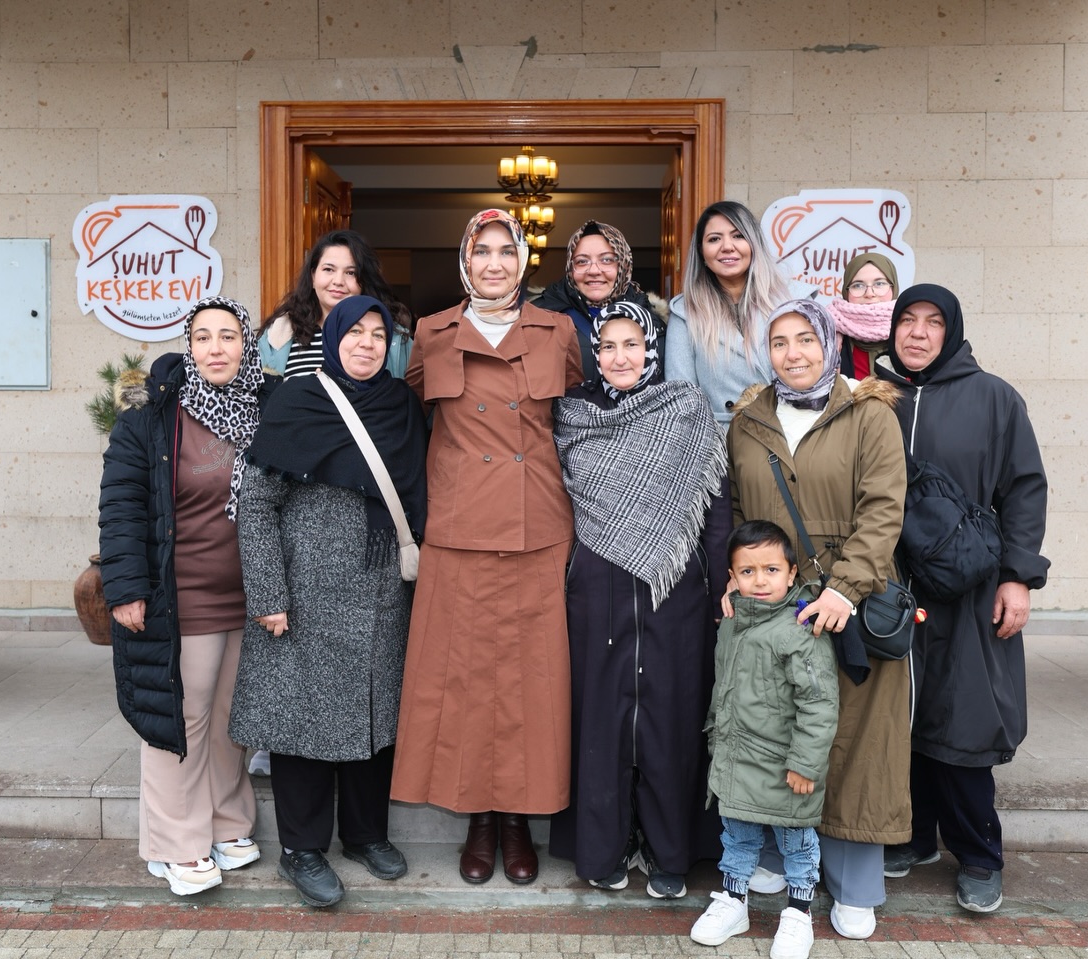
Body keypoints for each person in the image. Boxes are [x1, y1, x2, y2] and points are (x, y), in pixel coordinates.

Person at [390, 208, 583, 885]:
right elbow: (412, 419)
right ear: (464, 262)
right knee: (466, 680)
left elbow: (577, 421)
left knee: (533, 682)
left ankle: (519, 820)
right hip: (460, 529)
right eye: (482, 252)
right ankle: (478, 817)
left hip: (538, 529)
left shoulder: (558, 331)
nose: (494, 263)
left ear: (525, 263)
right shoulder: (431, 332)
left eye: (507, 251)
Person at [229, 295, 428, 908]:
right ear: (334, 337)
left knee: (374, 718)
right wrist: (267, 591)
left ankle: (366, 835)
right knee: (303, 721)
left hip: (381, 589)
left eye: (378, 335)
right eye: (356, 333)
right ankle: (302, 848)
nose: (366, 344)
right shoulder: (297, 401)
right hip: (305, 590)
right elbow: (256, 505)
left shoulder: (401, 406)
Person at [727, 298, 909, 941]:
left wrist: (845, 589)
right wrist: (736, 578)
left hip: (848, 605)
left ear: (829, 343)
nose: (794, 352)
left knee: (857, 740)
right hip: (773, 605)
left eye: (806, 338)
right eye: (779, 341)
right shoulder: (747, 420)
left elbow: (884, 509)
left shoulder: (869, 414)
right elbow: (734, 508)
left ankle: (855, 883)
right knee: (778, 729)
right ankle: (777, 856)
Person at [874, 284, 1049, 914]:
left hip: (970, 590)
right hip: (893, 588)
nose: (917, 333)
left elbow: (1024, 491)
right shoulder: (875, 397)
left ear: (952, 331)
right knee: (901, 715)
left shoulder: (994, 398)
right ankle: (913, 836)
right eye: (907, 321)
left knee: (965, 719)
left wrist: (1018, 577)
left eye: (932, 323)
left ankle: (980, 855)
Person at [549, 300, 730, 899]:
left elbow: (715, 509)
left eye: (632, 345)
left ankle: (670, 853)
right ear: (594, 354)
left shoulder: (685, 410)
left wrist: (719, 585)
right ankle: (603, 849)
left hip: (674, 591)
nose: (620, 357)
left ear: (651, 350)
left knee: (671, 720)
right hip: (596, 590)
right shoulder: (573, 417)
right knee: (602, 720)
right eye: (608, 346)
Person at [98, 295, 263, 896]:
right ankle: (175, 843)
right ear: (187, 347)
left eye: (228, 336)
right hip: (180, 597)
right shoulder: (149, 419)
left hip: (249, 598)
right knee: (180, 717)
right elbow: (121, 510)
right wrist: (126, 589)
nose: (215, 348)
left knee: (229, 719)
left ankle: (226, 820)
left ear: (247, 345)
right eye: (203, 338)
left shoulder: (265, 409)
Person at [690, 521, 839, 956]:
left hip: (785, 763)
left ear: (792, 573)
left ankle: (798, 913)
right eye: (747, 571)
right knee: (736, 834)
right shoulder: (731, 623)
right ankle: (734, 901)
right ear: (732, 578)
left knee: (796, 839)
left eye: (771, 570)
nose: (759, 580)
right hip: (738, 755)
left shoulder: (799, 629)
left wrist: (806, 763)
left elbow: (819, 703)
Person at [667, 200, 794, 425]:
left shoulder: (793, 301)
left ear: (754, 244)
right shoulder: (685, 314)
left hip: (790, 435)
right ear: (701, 253)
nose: (727, 246)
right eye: (714, 239)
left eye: (738, 236)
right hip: (723, 446)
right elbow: (681, 399)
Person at [257, 229, 412, 380]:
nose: (338, 281)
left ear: (364, 281)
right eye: (329, 269)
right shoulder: (278, 335)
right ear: (313, 276)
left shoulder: (394, 340)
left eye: (351, 272)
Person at [531, 219, 659, 383]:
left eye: (606, 260)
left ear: (624, 265)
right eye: (582, 261)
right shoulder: (541, 317)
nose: (593, 270)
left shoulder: (651, 320)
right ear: (571, 268)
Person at [829, 252, 898, 379]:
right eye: (858, 285)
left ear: (893, 288)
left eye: (879, 283)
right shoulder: (826, 333)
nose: (869, 294)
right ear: (846, 291)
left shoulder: (911, 331)